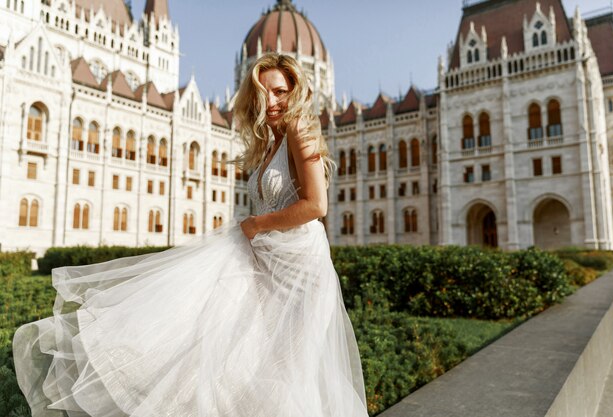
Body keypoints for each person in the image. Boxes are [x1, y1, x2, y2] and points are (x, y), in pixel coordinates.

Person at [12, 53, 369, 417]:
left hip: (300, 270)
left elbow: (316, 206)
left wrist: (255, 225)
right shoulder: (268, 143)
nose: (273, 102)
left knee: (291, 369)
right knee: (248, 356)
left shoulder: (300, 129)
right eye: (264, 94)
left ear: (295, 90)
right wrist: (254, 228)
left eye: (280, 91)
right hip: (266, 260)